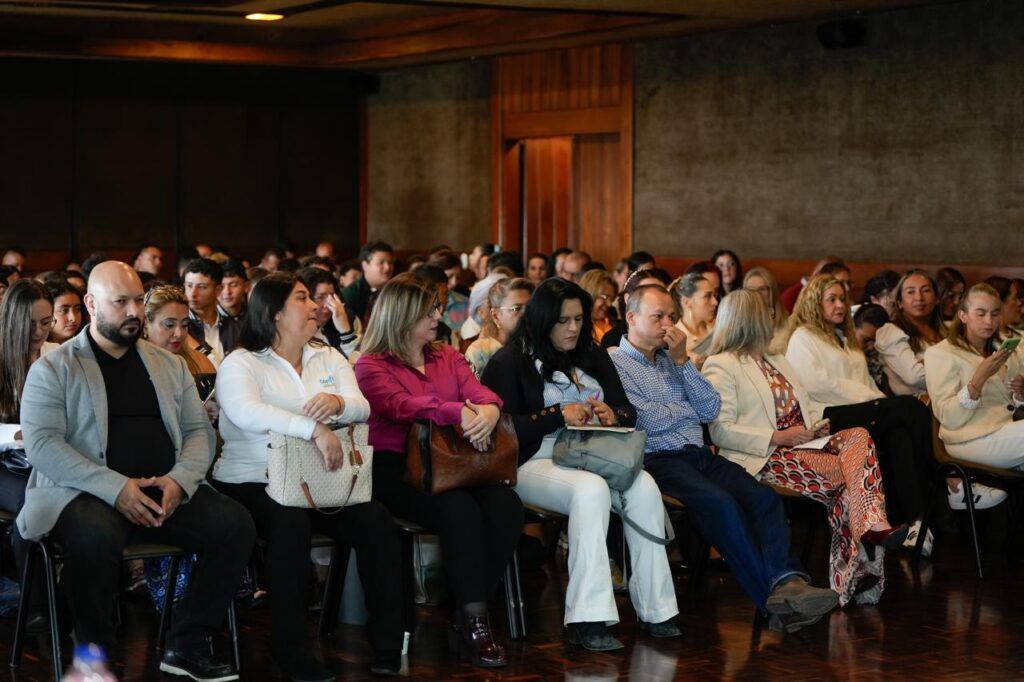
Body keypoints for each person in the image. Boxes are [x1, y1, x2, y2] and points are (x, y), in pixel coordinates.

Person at [18, 262, 255, 680]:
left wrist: (179, 480)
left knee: (235, 524)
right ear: (91, 304)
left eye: (137, 301)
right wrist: (116, 488)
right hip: (85, 492)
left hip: (165, 490)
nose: (133, 311)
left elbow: (199, 432)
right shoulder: (54, 369)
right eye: (120, 302)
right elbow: (43, 446)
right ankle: (95, 659)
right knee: (92, 539)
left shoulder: (167, 363)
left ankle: (186, 644)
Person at [610, 284, 837, 631]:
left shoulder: (675, 358)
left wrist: (684, 364)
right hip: (658, 459)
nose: (668, 324)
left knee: (762, 498)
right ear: (631, 317)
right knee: (721, 504)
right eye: (658, 316)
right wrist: (683, 409)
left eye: (671, 316)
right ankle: (772, 601)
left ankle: (787, 580)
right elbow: (643, 419)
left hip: (698, 454)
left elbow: (709, 408)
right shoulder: (616, 362)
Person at [213, 273, 402, 679]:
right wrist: (313, 429)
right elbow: (246, 413)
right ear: (275, 313)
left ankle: (388, 645)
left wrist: (337, 403)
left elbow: (363, 407)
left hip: (322, 480)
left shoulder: (328, 355)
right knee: (289, 524)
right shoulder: (242, 361)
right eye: (302, 298)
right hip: (253, 480)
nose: (317, 306)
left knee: (377, 522)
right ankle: (291, 650)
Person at [481, 278, 679, 651]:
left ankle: (658, 609)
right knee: (591, 492)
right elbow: (502, 430)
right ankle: (587, 618)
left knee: (645, 487)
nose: (572, 328)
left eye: (578, 319)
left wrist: (611, 412)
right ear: (542, 320)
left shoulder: (591, 353)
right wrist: (557, 414)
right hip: (532, 461)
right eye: (562, 321)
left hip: (598, 453)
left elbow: (626, 409)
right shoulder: (509, 362)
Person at [355, 273, 523, 669]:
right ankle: (476, 623)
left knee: (506, 506)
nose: (438, 316)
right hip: (395, 466)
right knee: (459, 510)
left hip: (454, 460)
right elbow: (398, 406)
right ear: (401, 315)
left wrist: (489, 409)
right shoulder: (371, 364)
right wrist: (456, 412)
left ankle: (466, 613)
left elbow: (481, 392)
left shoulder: (446, 355)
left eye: (436, 309)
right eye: (428, 311)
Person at [703, 290, 907, 606]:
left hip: (804, 445)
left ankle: (868, 531)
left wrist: (815, 426)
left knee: (857, 436)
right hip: (766, 455)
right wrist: (776, 437)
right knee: (849, 481)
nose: (773, 319)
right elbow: (720, 431)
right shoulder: (721, 365)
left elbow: (806, 404)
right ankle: (859, 565)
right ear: (750, 320)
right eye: (767, 314)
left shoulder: (777, 359)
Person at [784, 275, 940, 550]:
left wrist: (876, 399)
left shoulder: (844, 338)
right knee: (911, 406)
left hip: (860, 408)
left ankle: (916, 523)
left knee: (900, 434)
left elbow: (866, 383)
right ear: (813, 303)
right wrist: (873, 399)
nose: (840, 305)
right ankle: (944, 485)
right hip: (826, 416)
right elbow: (816, 384)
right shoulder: (803, 336)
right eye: (831, 299)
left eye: (842, 299)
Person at [0, 280, 57, 621]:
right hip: (7, 461)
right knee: (33, 502)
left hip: (48, 458)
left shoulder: (59, 355)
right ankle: (36, 605)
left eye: (46, 322)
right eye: (30, 323)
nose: (38, 332)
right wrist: (17, 433)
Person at [925, 283, 1024, 471]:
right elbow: (948, 417)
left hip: (1006, 430)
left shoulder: (1004, 348)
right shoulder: (939, 353)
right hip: (968, 438)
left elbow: (1006, 403)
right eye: (980, 313)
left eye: (995, 314)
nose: (989, 321)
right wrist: (978, 379)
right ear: (963, 316)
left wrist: (1021, 394)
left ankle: (970, 493)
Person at [874, 269, 945, 397]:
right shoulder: (890, 332)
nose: (919, 297)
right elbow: (915, 377)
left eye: (926, 290)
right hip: (917, 409)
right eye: (911, 292)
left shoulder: (948, 330)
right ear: (900, 302)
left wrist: (926, 364)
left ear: (936, 299)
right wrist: (955, 368)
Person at [464, 278, 534, 378]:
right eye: (516, 308)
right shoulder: (480, 352)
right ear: (496, 316)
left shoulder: (534, 346)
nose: (525, 314)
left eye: (529, 308)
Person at [184, 258, 242, 367]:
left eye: (202, 287)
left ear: (218, 290)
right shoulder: (181, 328)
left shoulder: (236, 328)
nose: (192, 293)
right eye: (189, 285)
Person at [601, 268, 672, 349]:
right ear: (628, 299)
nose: (669, 324)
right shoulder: (613, 340)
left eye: (661, 292)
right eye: (648, 293)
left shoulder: (670, 340)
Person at [297, 267, 357, 357]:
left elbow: (360, 365)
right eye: (321, 297)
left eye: (333, 297)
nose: (328, 306)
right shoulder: (293, 333)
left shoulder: (345, 318)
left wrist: (345, 331)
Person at [342, 241, 394, 328]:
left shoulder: (395, 290)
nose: (387, 267)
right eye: (381, 263)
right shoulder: (351, 294)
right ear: (365, 265)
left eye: (390, 262)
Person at [673, 272, 718, 370]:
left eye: (715, 295)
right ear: (687, 302)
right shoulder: (674, 338)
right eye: (707, 296)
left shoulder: (720, 329)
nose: (715, 302)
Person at [743, 266, 789, 353]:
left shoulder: (788, 324)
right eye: (751, 290)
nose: (757, 294)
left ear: (771, 292)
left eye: (762, 289)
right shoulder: (738, 324)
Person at [853, 303, 892, 395]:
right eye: (866, 340)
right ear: (851, 329)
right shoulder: (840, 358)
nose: (872, 347)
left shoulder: (888, 360)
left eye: (877, 342)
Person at [579, 269, 618, 344]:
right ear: (589, 294)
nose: (609, 304)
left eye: (612, 299)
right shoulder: (577, 327)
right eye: (604, 297)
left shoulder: (614, 321)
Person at [983, 276, 1023, 342]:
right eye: (1015, 298)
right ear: (999, 303)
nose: (1019, 303)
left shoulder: (1021, 335)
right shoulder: (985, 342)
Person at [46, 279, 85, 344]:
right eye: (64, 310)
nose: (73, 318)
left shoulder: (86, 345)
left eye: (78, 309)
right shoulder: (33, 351)